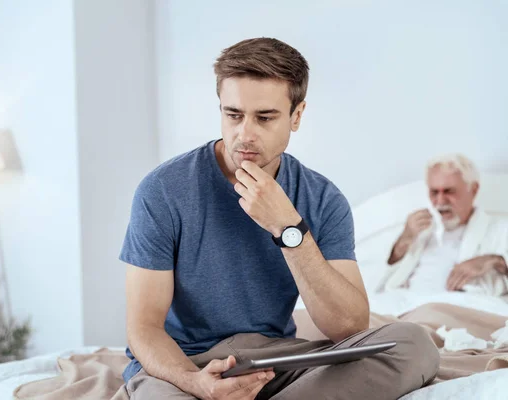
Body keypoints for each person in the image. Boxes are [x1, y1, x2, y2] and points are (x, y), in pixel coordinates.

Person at [120, 37, 439, 400]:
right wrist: (197, 384)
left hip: (274, 359)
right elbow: (143, 327)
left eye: (265, 117)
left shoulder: (323, 199)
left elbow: (348, 327)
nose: (245, 134)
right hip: (185, 364)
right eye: (233, 115)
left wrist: (289, 228)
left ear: (297, 115)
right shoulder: (163, 190)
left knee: (413, 344)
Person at [378, 154, 508, 295]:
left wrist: (494, 260)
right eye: (434, 192)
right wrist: (405, 239)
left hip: (457, 309)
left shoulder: (500, 229)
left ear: (474, 189)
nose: (440, 201)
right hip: (403, 307)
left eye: (449, 191)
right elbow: (378, 280)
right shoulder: (419, 231)